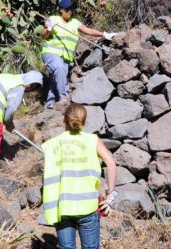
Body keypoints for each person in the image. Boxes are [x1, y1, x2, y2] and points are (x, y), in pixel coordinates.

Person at [42, 103, 118, 249]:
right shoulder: (92, 140)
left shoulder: (51, 145)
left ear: (64, 120)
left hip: (63, 207)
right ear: (85, 121)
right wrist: (110, 197)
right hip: (87, 206)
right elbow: (111, 163)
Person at [40, 0, 116, 109]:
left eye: (71, 9)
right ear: (61, 9)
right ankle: (64, 97)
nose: (70, 11)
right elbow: (43, 36)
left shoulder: (75, 22)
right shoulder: (53, 19)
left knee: (57, 78)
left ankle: (49, 105)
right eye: (67, 9)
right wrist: (49, 28)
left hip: (66, 57)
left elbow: (89, 31)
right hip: (51, 52)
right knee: (59, 69)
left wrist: (104, 34)